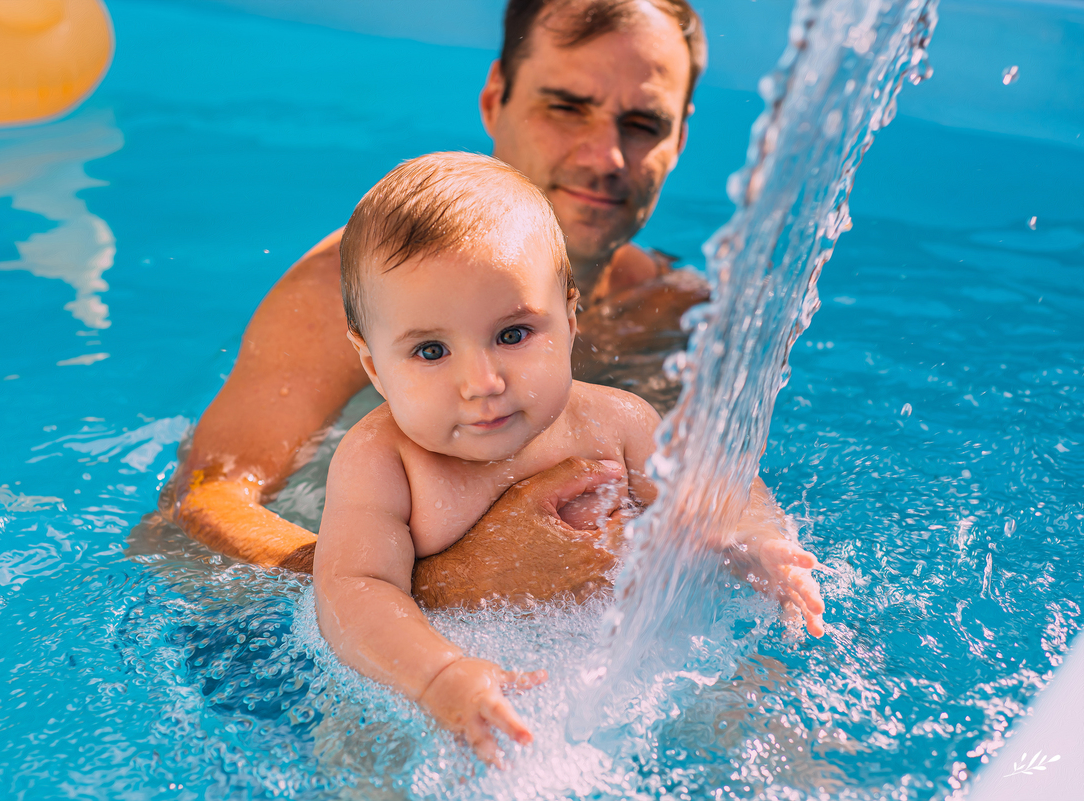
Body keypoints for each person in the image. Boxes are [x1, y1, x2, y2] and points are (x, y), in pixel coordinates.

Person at [169, 0, 826, 636]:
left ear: (679, 137)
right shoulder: (351, 291)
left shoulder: (679, 314)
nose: (606, 157)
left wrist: (764, 553)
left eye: (642, 124)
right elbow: (198, 508)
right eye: (566, 107)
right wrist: (447, 580)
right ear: (495, 98)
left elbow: (716, 493)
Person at [315, 152, 808, 766]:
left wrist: (755, 541)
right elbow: (351, 590)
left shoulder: (616, 423)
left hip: (627, 677)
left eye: (514, 334)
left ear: (571, 320)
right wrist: (438, 676)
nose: (482, 381)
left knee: (762, 720)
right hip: (426, 694)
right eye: (431, 350)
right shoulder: (382, 462)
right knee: (359, 761)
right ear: (373, 367)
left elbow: (714, 490)